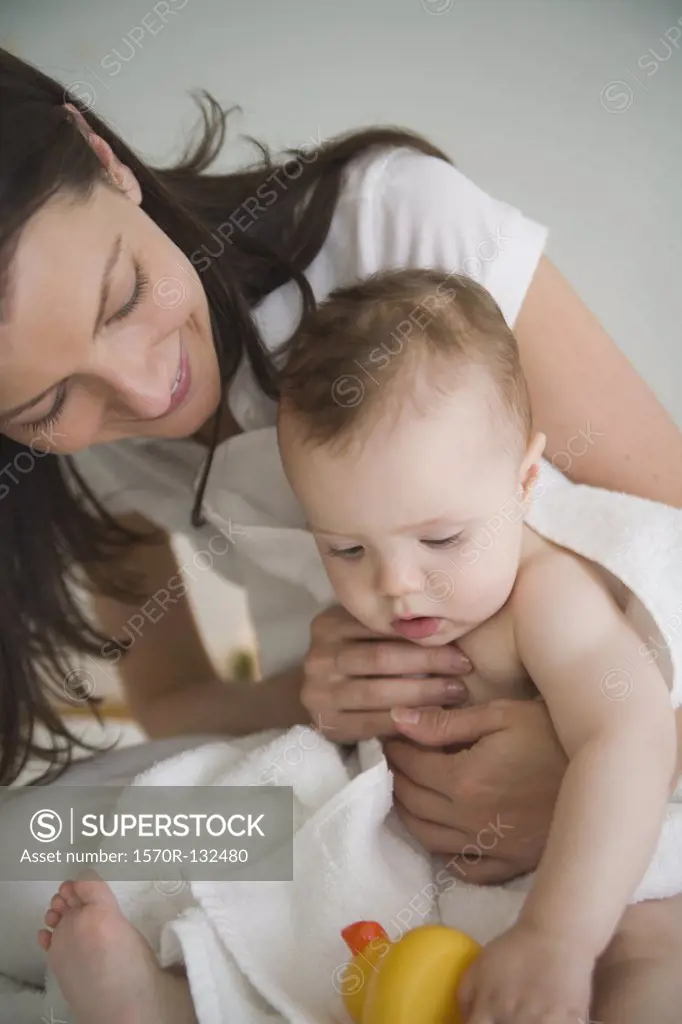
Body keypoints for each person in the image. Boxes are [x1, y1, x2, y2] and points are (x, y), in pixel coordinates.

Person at [1, 43, 682, 1001]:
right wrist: (309, 694)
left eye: (120, 300)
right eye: (46, 401)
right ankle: (195, 984)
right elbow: (175, 703)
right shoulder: (71, 463)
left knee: (654, 937)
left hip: (627, 760)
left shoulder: (393, 233)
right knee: (22, 855)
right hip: (365, 779)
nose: (146, 393)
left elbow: (660, 582)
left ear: (101, 155)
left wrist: (574, 772)